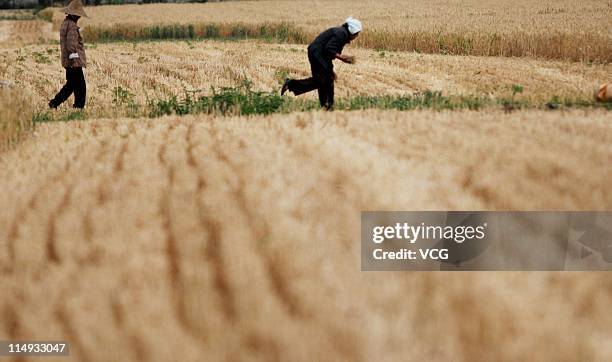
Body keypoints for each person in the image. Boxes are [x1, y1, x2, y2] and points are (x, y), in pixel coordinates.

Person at [281, 17, 362, 110]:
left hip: (320, 54)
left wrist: (330, 70)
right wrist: (342, 57)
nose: (357, 36)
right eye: (357, 33)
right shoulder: (341, 34)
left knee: (328, 79)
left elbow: (328, 53)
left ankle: (328, 106)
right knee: (320, 80)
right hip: (317, 54)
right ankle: (290, 84)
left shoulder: (342, 33)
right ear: (352, 31)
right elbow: (329, 49)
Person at [48, 0, 88, 110]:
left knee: (71, 86)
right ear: (74, 15)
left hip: (68, 61)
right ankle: (78, 107)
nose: (79, 17)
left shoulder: (65, 23)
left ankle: (54, 103)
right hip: (73, 61)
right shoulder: (72, 26)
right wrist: (74, 60)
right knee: (80, 86)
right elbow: (71, 44)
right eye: (78, 15)